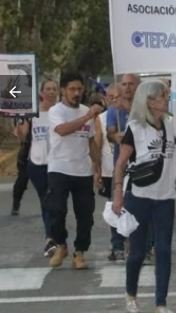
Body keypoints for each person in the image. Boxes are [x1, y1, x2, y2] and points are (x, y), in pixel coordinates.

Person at [111, 80, 176, 313]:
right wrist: (118, 193)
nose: (166, 100)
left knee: (164, 250)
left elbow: (173, 162)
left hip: (165, 198)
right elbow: (121, 163)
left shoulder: (170, 126)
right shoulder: (135, 128)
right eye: (163, 96)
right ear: (150, 101)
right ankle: (131, 295)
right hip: (139, 196)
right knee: (137, 251)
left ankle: (161, 304)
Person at [46, 73, 103, 269]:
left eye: (79, 89)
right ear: (63, 90)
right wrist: (88, 117)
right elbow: (62, 130)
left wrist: (98, 167)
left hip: (82, 170)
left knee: (85, 214)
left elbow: (91, 141)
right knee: (56, 210)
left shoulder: (86, 110)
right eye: (72, 89)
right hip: (59, 168)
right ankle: (61, 245)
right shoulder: (56, 111)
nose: (76, 93)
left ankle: (80, 252)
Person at [15, 79, 59, 255]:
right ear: (41, 92)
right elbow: (23, 135)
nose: (51, 92)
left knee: (56, 202)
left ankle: (55, 235)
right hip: (37, 164)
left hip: (58, 164)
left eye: (54, 89)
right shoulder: (32, 113)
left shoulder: (60, 112)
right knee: (46, 200)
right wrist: (19, 124)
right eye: (48, 89)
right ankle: (50, 238)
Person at [106, 73, 141, 261]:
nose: (127, 88)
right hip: (121, 163)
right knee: (117, 204)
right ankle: (117, 245)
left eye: (131, 84)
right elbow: (110, 133)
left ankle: (144, 244)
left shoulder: (144, 107)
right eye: (124, 84)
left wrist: (127, 108)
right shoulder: (114, 109)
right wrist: (116, 136)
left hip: (142, 165)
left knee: (142, 206)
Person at [97, 84, 126, 261]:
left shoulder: (131, 112)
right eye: (111, 97)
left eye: (117, 96)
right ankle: (117, 245)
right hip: (111, 169)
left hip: (131, 167)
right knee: (115, 207)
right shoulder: (104, 117)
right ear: (105, 99)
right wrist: (97, 170)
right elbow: (100, 142)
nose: (114, 100)